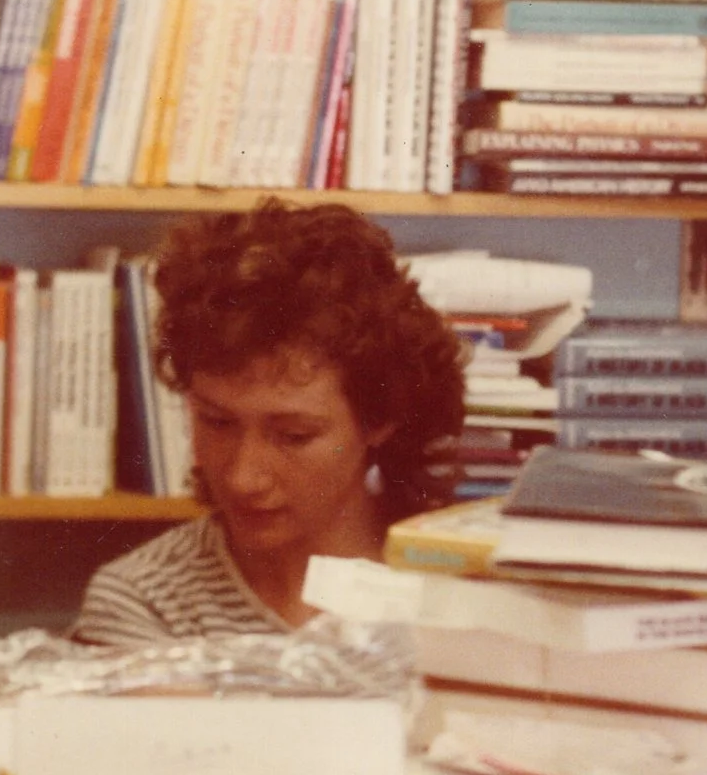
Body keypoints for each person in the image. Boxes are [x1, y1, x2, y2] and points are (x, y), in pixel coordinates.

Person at [72, 201, 465, 646]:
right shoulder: (143, 601)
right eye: (217, 422)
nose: (243, 478)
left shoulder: (469, 591)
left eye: (294, 436)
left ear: (380, 420)